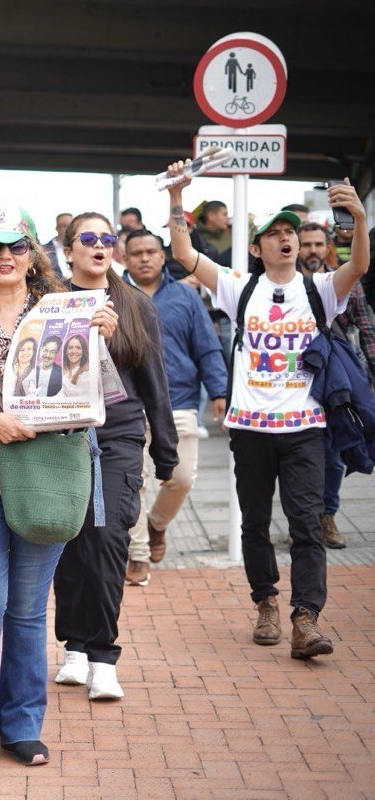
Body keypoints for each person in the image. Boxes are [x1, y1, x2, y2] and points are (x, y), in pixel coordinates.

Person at [0, 204, 118, 768]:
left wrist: (102, 339)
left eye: (16, 247)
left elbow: (99, 399)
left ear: (32, 256)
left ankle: (22, 725)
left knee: (28, 612)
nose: (5, 257)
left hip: (45, 481)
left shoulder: (69, 312)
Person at [165, 161, 369, 659]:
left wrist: (360, 221)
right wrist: (177, 200)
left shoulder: (320, 291)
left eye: (291, 233)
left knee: (306, 521)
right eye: (273, 234)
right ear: (256, 248)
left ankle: (305, 619)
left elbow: (358, 267)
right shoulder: (242, 288)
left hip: (305, 427)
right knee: (254, 522)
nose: (285, 240)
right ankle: (266, 603)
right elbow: (185, 254)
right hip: (250, 429)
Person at [53, 213, 177, 700]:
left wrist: (164, 453)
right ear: (69, 250)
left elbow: (155, 382)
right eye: (89, 239)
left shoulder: (135, 305)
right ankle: (75, 646)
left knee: (107, 540)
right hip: (60, 438)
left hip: (117, 437)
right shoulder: (50, 301)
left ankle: (103, 653)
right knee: (67, 543)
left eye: (108, 239)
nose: (100, 246)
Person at [122, 229, 228, 586]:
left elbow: (207, 346)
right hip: (128, 403)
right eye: (136, 253)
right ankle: (136, 554)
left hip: (179, 400)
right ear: (125, 258)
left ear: (163, 254)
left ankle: (156, 525)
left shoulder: (185, 296)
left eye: (151, 251)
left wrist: (219, 391)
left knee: (181, 478)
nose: (144, 258)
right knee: (132, 482)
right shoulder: (114, 297)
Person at [297, 221, 375, 550]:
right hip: (293, 381)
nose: (312, 251)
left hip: (335, 382)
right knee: (295, 456)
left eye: (318, 244)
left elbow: (365, 325)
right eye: (306, 244)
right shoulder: (284, 284)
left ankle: (326, 516)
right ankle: (301, 519)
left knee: (332, 452)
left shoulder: (343, 282)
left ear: (327, 245)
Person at [41, 213, 73, 280]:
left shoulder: (81, 248)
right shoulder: (43, 251)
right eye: (64, 226)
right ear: (57, 228)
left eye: (71, 226)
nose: (68, 229)